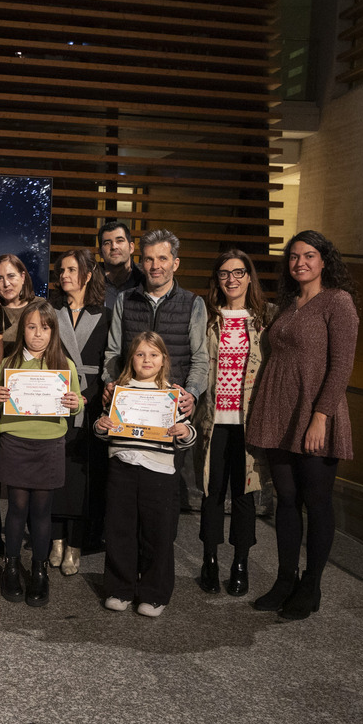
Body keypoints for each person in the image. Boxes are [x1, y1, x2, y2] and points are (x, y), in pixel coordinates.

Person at [247, 231, 358, 621]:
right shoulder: (290, 304)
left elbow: (342, 366)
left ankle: (311, 585)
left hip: (315, 416)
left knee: (317, 502)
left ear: (324, 260)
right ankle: (284, 580)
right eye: (294, 257)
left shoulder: (338, 302)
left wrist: (321, 416)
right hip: (280, 415)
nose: (300, 263)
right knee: (287, 500)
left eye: (309, 256)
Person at [102, 229, 209, 512]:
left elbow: (200, 359)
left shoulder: (193, 303)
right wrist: (111, 383)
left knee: (164, 499)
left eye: (162, 258)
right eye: (149, 259)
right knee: (125, 495)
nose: (155, 266)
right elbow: (113, 353)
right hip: (130, 410)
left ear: (175, 263)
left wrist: (193, 394)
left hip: (170, 413)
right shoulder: (126, 300)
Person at [0, 299, 82, 607]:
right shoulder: (10, 364)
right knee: (16, 509)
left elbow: (79, 401)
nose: (37, 334)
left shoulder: (64, 366)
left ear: (53, 331)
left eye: (44, 328)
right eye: (31, 327)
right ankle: (12, 567)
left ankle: (40, 571)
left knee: (42, 511)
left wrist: (73, 403)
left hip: (49, 443)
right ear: (22, 329)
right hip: (15, 441)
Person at [96, 332, 196, 617]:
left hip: (159, 472)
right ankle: (119, 589)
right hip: (122, 468)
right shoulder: (119, 391)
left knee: (158, 534)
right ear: (132, 359)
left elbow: (188, 434)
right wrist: (101, 426)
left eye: (153, 354)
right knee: (119, 531)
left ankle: (154, 594)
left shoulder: (172, 394)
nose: (147, 360)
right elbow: (103, 429)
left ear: (164, 359)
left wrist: (185, 431)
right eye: (140, 354)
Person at [193, 250, 274, 597]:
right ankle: (209, 560)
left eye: (239, 272)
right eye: (225, 273)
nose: (232, 279)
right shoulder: (207, 318)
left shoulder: (265, 319)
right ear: (217, 279)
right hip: (214, 422)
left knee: (244, 496)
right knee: (212, 494)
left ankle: (240, 563)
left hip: (248, 423)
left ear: (249, 276)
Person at [50, 248, 112, 575]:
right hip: (55, 400)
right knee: (56, 473)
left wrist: (86, 397)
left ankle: (75, 543)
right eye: (61, 270)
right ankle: (56, 538)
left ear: (88, 274)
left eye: (72, 270)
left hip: (88, 402)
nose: (64, 276)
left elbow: (110, 364)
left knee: (82, 475)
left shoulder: (106, 315)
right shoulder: (50, 310)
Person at [0, 252, 34, 366]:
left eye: (11, 276)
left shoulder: (39, 306)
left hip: (34, 379)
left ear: (22, 277)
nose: (6, 283)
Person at [97, 220, 145, 309]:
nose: (114, 247)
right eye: (107, 243)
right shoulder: (89, 281)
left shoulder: (145, 281)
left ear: (131, 247)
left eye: (120, 241)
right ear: (100, 252)